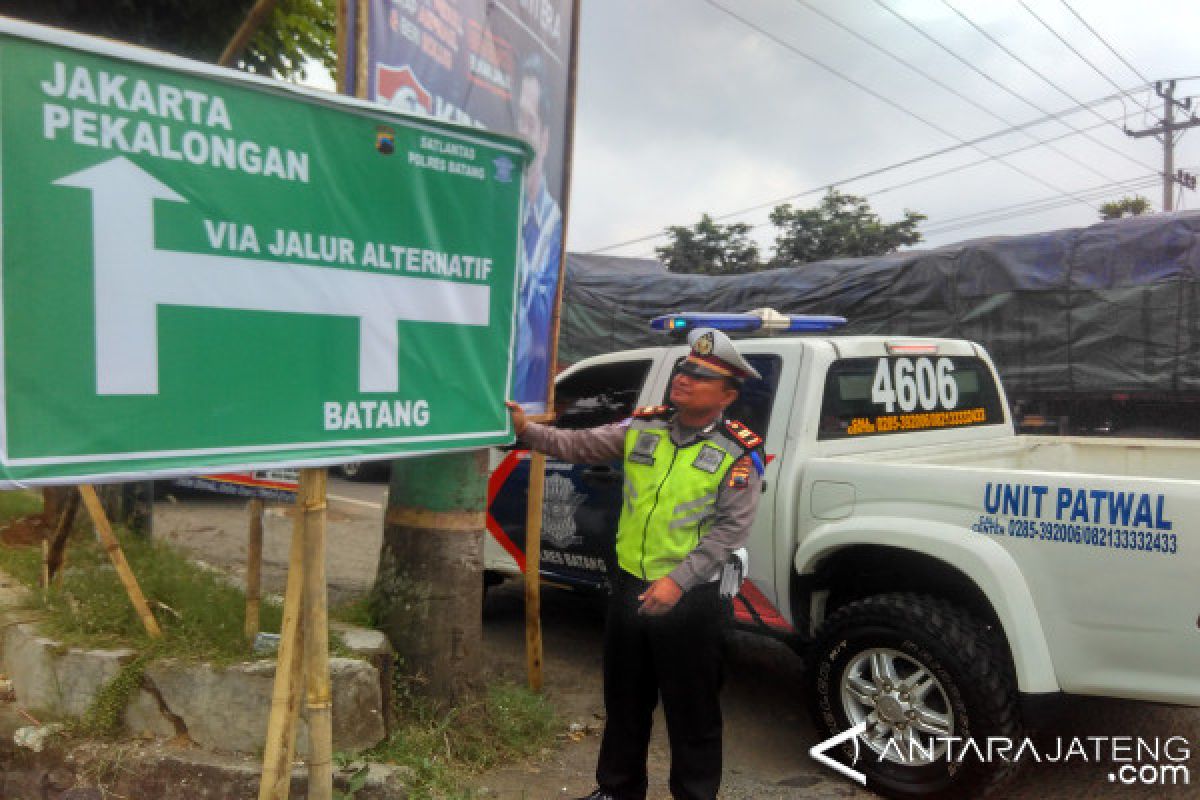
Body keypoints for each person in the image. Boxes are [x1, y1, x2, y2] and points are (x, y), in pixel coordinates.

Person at [505, 327, 765, 800]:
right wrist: (527, 431)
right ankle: (617, 790)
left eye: (700, 376)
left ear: (727, 394)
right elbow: (578, 445)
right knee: (625, 701)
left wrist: (677, 582)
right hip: (629, 588)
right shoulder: (643, 427)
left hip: (692, 599)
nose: (683, 379)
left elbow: (730, 531)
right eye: (683, 369)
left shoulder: (737, 451)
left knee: (693, 713)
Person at [511, 51, 563, 408]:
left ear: (545, 139)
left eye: (528, 123)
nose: (519, 132)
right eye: (516, 120)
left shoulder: (551, 223)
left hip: (521, 401)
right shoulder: (500, 206)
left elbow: (542, 313)